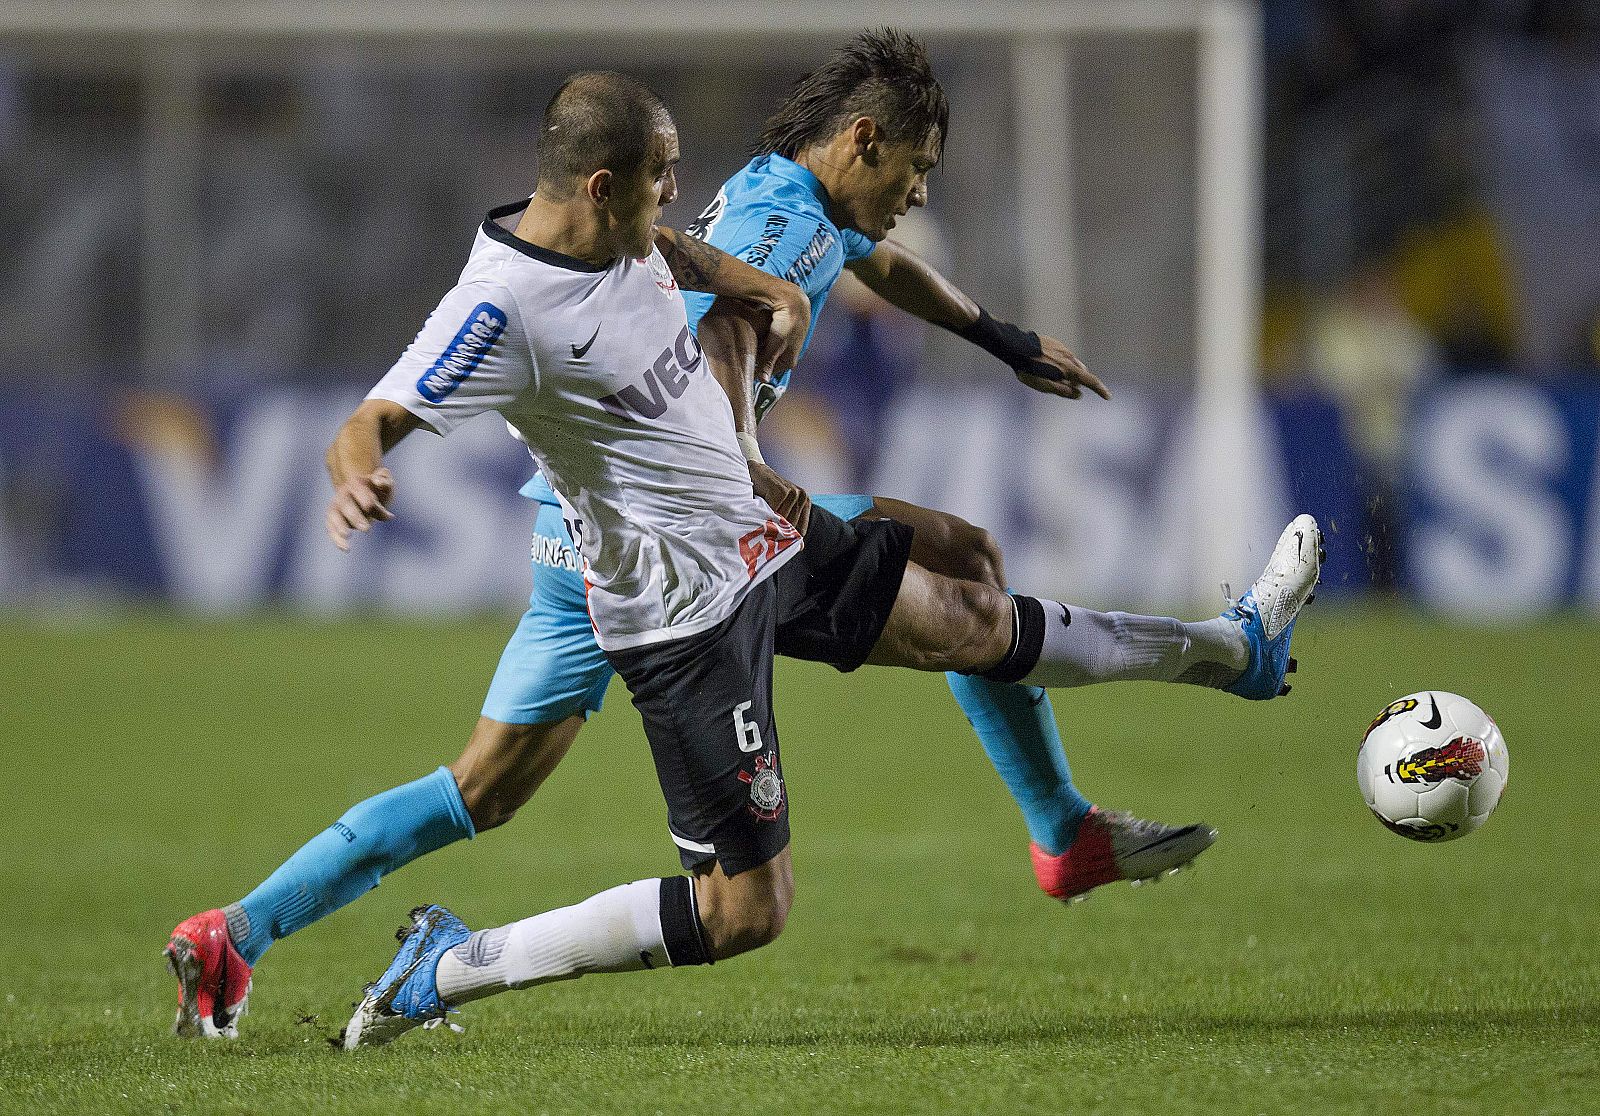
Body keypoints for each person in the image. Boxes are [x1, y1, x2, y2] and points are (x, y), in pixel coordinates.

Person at [167, 44, 1322, 1043]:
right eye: (914, 173)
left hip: (705, 535)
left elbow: (744, 265)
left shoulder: (701, 223)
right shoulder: (533, 292)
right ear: (864, 144)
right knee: (697, 882)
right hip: (649, 569)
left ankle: (1152, 735)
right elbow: (673, 343)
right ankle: (428, 960)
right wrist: (364, 466)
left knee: (963, 580)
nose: (916, 197)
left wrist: (995, 334)